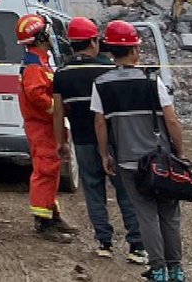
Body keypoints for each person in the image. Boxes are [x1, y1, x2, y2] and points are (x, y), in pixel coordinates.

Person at [93, 20, 188, 282]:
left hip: (127, 162)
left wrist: (105, 155)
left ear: (110, 51)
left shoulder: (101, 84)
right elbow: (171, 120)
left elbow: (100, 123)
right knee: (169, 214)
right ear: (135, 49)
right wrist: (180, 153)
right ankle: (176, 270)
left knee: (145, 215)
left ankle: (157, 270)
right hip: (162, 161)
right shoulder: (151, 80)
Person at [52, 17, 148, 265]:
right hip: (114, 141)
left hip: (82, 141)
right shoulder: (108, 70)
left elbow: (58, 112)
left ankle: (104, 243)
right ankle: (136, 246)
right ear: (94, 41)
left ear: (71, 45)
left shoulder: (61, 74)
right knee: (125, 191)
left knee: (93, 191)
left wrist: (60, 142)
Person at [16, 13, 77, 242]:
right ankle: (43, 223)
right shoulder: (34, 65)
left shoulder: (40, 61)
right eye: (48, 33)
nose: (52, 37)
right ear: (40, 36)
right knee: (45, 170)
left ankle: (52, 214)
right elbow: (36, 95)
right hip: (41, 126)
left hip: (48, 125)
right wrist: (58, 108)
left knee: (52, 169)